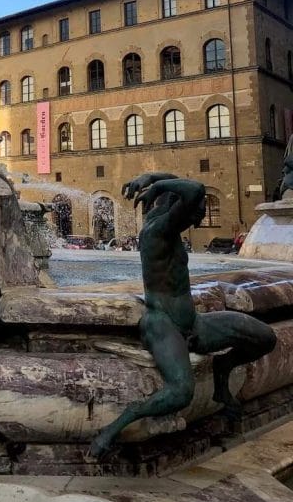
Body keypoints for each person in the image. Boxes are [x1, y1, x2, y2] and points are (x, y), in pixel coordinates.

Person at [89, 172, 276, 460]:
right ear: (176, 209)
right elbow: (194, 189)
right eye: (195, 214)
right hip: (163, 324)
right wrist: (160, 184)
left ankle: (222, 368)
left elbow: (189, 191)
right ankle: (119, 424)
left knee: (265, 337)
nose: (196, 220)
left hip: (194, 323)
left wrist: (152, 177)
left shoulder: (168, 227)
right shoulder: (157, 231)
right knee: (181, 392)